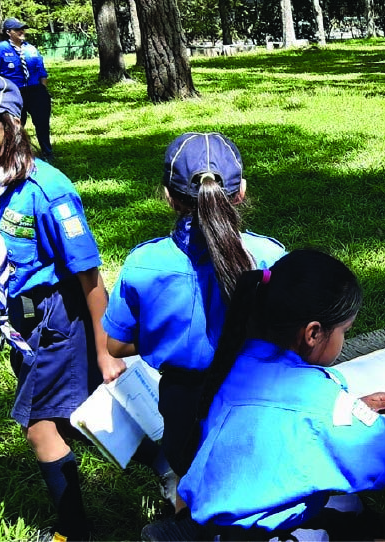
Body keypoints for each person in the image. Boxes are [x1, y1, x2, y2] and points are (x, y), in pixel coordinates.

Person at [0, 73, 123, 541]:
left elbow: (89, 276)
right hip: (17, 324)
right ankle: (171, 468)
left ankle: (74, 531)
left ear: (11, 124)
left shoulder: (47, 189)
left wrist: (105, 351)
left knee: (40, 428)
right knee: (75, 418)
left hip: (57, 318)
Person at [178, 249, 385, 539]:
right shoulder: (321, 404)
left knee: (376, 521)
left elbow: (280, 423)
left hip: (223, 522)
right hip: (272, 533)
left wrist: (357, 406)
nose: (344, 338)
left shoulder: (237, 360)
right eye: (344, 330)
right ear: (313, 333)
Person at [103, 132, 286, 482]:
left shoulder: (143, 263)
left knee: (193, 480)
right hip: (258, 396)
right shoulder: (270, 257)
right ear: (241, 192)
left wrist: (165, 336)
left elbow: (116, 345)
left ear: (168, 197)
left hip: (182, 405)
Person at [0, 17, 54, 160]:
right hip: (14, 92)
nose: (21, 31)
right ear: (8, 32)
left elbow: (42, 71)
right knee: (16, 125)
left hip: (35, 90)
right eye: (17, 29)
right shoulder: (0, 49)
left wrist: (42, 90)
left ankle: (47, 152)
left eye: (22, 28)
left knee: (42, 122)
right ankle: (16, 153)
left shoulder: (31, 49)